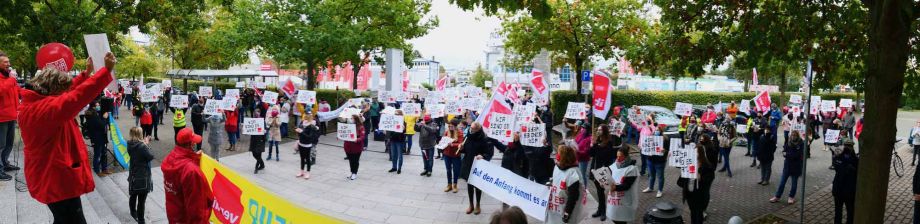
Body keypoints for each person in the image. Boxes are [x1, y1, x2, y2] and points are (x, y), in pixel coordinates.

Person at [18, 53, 115, 223]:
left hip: (50, 175)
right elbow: (74, 98)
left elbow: (68, 91)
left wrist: (86, 74)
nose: (65, 93)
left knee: (62, 219)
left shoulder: (37, 101)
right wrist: (105, 71)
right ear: (54, 91)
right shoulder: (45, 110)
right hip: (55, 179)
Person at [161, 128, 212, 223]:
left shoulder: (169, 158)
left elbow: (180, 170)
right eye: (194, 141)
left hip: (174, 215)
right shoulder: (191, 171)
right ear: (191, 144)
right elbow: (196, 209)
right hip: (186, 219)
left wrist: (194, 158)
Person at [545, 144, 586, 224]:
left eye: (559, 154)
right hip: (556, 206)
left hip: (565, 209)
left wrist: (567, 213)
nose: (557, 156)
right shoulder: (557, 167)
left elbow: (573, 197)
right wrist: (551, 183)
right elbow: (556, 180)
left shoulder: (573, 173)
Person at [678, 140, 716, 224]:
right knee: (693, 214)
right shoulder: (689, 164)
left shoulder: (707, 167)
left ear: (701, 154)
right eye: (693, 152)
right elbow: (680, 183)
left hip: (700, 197)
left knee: (699, 216)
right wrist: (684, 173)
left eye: (696, 152)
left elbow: (709, 180)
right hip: (690, 196)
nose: (694, 154)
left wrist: (700, 178)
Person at [461, 123, 494, 215]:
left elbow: (489, 153)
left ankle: (478, 205)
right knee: (469, 185)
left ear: (477, 129)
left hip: (478, 166)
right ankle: (471, 204)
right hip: (468, 164)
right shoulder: (468, 136)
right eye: (470, 128)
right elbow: (465, 150)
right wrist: (461, 148)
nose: (470, 130)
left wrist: (483, 156)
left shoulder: (485, 139)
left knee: (478, 186)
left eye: (472, 129)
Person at [588, 125, 616, 221]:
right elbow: (591, 154)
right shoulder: (598, 141)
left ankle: (603, 211)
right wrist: (592, 145)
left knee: (602, 191)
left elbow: (604, 156)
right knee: (599, 191)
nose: (598, 131)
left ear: (604, 131)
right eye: (598, 129)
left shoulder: (609, 142)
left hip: (603, 170)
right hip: (595, 169)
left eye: (600, 129)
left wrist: (596, 145)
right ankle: (600, 210)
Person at [126, 127, 153, 224]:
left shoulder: (129, 143)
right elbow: (150, 156)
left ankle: (133, 212)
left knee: (133, 195)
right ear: (139, 134)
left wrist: (144, 144)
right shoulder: (142, 147)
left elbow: (137, 152)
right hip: (142, 175)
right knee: (142, 200)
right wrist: (146, 145)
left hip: (133, 172)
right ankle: (141, 220)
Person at [605, 146, 638, 224]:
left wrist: (615, 187)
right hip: (614, 200)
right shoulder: (614, 165)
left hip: (624, 200)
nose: (618, 159)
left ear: (626, 157)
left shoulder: (632, 169)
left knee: (621, 220)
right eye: (617, 156)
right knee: (614, 218)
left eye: (621, 156)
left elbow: (627, 185)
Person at [771, 130, 804, 204]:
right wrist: (785, 153)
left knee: (794, 184)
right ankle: (777, 196)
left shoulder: (801, 143)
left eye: (794, 135)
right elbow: (784, 150)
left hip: (796, 167)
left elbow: (798, 155)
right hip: (787, 166)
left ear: (797, 136)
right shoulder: (788, 142)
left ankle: (791, 197)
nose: (793, 137)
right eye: (792, 135)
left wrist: (788, 155)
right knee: (782, 182)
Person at [832, 139, 858, 224]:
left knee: (850, 212)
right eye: (846, 146)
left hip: (849, 191)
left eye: (849, 146)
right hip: (839, 190)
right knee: (838, 212)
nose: (847, 148)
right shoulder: (838, 157)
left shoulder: (855, 160)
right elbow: (837, 167)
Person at [84, 102, 111, 176]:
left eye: (99, 104)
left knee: (104, 153)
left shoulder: (96, 113)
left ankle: (104, 169)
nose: (99, 106)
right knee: (97, 154)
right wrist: (105, 118)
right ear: (93, 107)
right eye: (97, 105)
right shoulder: (92, 116)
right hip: (97, 138)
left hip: (101, 137)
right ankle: (97, 171)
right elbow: (101, 125)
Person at [643, 125, 668, 198]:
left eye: (658, 130)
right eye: (655, 130)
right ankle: (650, 187)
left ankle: (660, 190)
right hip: (650, 160)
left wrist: (664, 150)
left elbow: (668, 150)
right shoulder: (650, 138)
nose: (656, 131)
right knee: (651, 175)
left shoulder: (665, 139)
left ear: (661, 131)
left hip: (660, 161)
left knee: (660, 177)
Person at [295, 114, 320, 179]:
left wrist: (302, 132)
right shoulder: (302, 124)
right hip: (301, 144)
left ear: (310, 119)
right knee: (302, 158)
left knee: (308, 159)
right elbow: (300, 135)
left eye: (306, 118)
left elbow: (310, 137)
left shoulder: (312, 126)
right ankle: (301, 171)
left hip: (307, 145)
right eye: (304, 118)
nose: (304, 120)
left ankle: (308, 172)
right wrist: (298, 131)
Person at [443, 120, 464, 193]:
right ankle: (449, 185)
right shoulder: (446, 132)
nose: (450, 127)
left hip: (455, 155)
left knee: (456, 170)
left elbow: (461, 144)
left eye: (451, 126)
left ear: (455, 126)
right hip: (447, 154)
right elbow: (443, 141)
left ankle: (455, 185)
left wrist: (453, 144)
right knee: (448, 170)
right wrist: (441, 144)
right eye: (449, 126)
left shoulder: (460, 133)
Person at [344, 114, 366, 180]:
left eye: (352, 118)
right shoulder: (348, 126)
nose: (351, 119)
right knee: (350, 160)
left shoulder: (360, 127)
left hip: (356, 147)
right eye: (351, 118)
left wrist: (357, 139)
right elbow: (344, 133)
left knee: (355, 160)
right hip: (348, 146)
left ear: (356, 119)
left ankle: (354, 173)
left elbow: (362, 136)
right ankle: (352, 172)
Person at [574, 121, 592, 186]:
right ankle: (579, 186)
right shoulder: (580, 134)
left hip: (583, 159)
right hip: (576, 157)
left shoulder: (589, 138)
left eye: (584, 128)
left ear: (588, 130)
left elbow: (586, 152)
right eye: (582, 127)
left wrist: (577, 151)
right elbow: (575, 141)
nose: (582, 129)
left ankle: (585, 188)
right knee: (577, 173)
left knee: (582, 174)